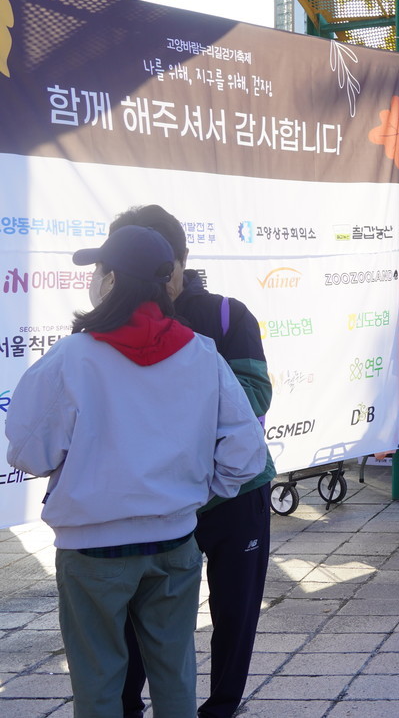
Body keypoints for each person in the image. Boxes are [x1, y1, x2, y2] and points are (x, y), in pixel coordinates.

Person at [5, 225, 267, 717]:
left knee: (98, 682)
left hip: (91, 550)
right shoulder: (201, 352)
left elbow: (28, 452)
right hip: (174, 542)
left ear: (110, 281)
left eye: (98, 270)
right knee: (175, 676)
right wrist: (196, 490)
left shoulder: (72, 357)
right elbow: (246, 451)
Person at [110, 205, 274, 718]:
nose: (153, 281)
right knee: (140, 614)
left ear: (182, 260)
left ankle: (221, 707)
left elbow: (255, 395)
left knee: (235, 612)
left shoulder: (227, 314)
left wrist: (178, 401)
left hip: (235, 492)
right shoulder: (107, 326)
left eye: (163, 268)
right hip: (157, 496)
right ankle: (126, 705)